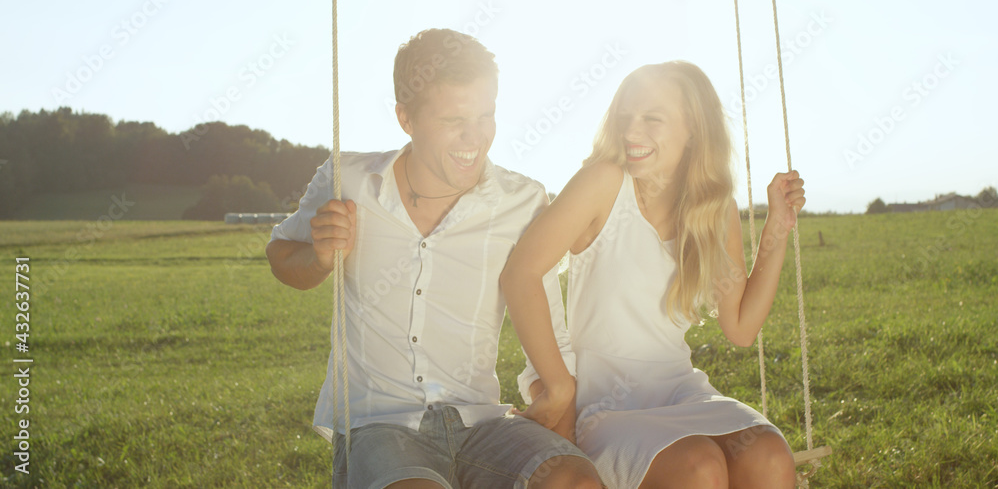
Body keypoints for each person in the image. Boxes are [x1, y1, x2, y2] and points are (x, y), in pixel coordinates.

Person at [266, 28, 603, 489]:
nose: (475, 137)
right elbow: (283, 255)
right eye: (453, 120)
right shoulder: (349, 179)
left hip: (484, 423)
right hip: (380, 424)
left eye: (486, 116)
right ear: (406, 118)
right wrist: (321, 258)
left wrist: (558, 406)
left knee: (574, 481)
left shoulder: (522, 200)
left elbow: (548, 322)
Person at [501, 61, 804, 489]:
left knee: (770, 455)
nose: (631, 132)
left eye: (652, 119)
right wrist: (556, 390)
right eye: (626, 117)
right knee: (699, 467)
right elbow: (521, 274)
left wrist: (776, 227)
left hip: (681, 390)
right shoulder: (604, 183)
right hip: (604, 404)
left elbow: (741, 327)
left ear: (694, 130)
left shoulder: (713, 208)